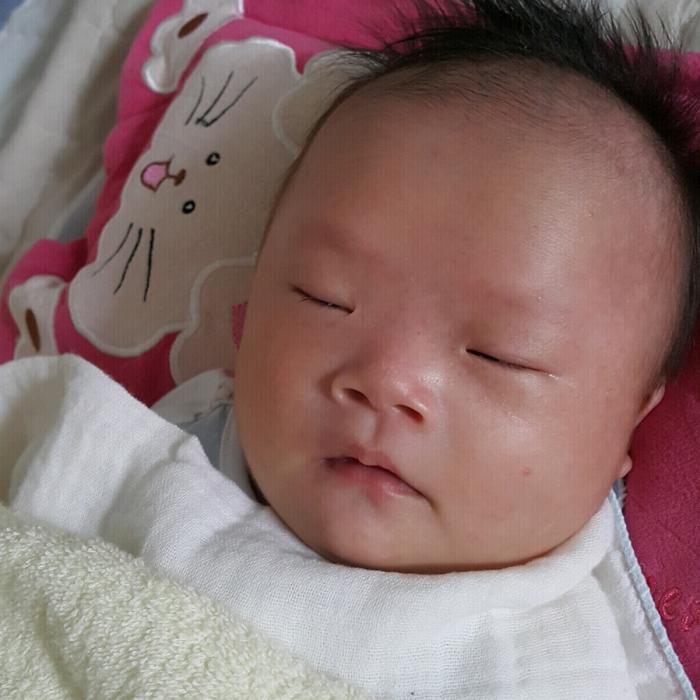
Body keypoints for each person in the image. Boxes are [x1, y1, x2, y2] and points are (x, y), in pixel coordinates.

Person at [1, 0, 698, 697]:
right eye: (325, 297)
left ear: (627, 422)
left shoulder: (580, 664)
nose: (386, 379)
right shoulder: (121, 460)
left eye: (499, 354)